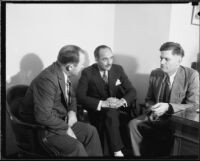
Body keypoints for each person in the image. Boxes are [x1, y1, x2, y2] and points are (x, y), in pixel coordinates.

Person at [19, 45, 103, 156]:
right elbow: (43, 117)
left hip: (59, 120)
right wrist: (66, 128)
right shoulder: (47, 80)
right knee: (75, 146)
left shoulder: (63, 72)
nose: (84, 66)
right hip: (45, 129)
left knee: (91, 132)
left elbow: (71, 97)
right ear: (70, 67)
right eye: (82, 64)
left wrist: (72, 111)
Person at [128, 42, 199, 156]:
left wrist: (169, 107)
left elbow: (194, 105)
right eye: (161, 58)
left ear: (179, 60)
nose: (161, 62)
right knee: (133, 124)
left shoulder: (191, 75)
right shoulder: (155, 74)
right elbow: (149, 99)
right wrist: (152, 108)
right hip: (155, 116)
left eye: (166, 59)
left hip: (176, 119)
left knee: (165, 134)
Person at [76, 45, 137, 156]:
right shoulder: (87, 72)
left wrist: (121, 101)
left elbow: (132, 91)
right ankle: (117, 151)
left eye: (111, 58)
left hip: (116, 108)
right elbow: (80, 96)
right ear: (96, 59)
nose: (109, 62)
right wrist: (102, 103)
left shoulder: (118, 69)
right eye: (105, 59)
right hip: (96, 110)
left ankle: (115, 151)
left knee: (112, 112)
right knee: (110, 112)